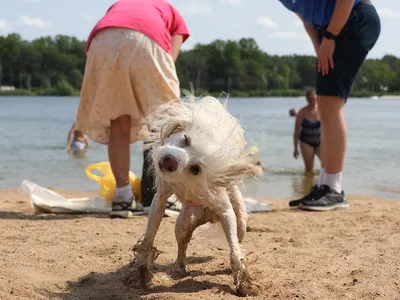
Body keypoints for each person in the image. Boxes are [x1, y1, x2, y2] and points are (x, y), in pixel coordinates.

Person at [74, 0, 190, 218]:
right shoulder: (171, 11)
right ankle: (161, 197)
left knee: (119, 119)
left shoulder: (119, 5)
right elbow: (170, 57)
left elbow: (115, 39)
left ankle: (123, 198)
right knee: (169, 118)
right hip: (146, 37)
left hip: (101, 40)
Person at [278, 0, 380, 211]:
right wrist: (319, 45)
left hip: (352, 18)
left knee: (331, 104)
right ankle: (325, 185)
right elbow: (305, 16)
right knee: (325, 105)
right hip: (330, 29)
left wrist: (330, 37)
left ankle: (333, 189)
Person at [293, 89, 321, 173]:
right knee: (309, 169)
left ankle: (323, 184)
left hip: (320, 141)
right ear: (307, 100)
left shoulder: (322, 110)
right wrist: (295, 148)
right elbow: (296, 131)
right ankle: (308, 184)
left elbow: (329, 128)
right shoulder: (302, 112)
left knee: (327, 166)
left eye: (314, 99)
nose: (313, 101)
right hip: (306, 142)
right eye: (310, 100)